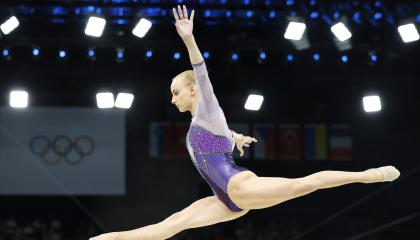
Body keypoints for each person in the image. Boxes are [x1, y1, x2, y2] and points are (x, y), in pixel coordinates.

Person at [89, 5, 400, 240]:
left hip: (239, 186)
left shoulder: (206, 105)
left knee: (302, 185)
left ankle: (368, 175)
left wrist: (189, 38)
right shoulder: (207, 120)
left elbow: (201, 71)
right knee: (171, 226)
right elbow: (217, 136)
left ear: (193, 90)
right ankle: (105, 239)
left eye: (176, 92)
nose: (172, 99)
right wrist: (234, 136)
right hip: (224, 198)